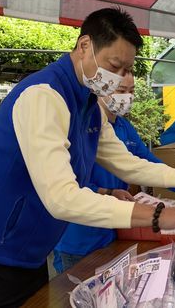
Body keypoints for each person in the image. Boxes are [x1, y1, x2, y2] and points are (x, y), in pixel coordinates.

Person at [0, 8, 175, 307]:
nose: (119, 77)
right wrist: (161, 215)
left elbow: (127, 162)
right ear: (84, 46)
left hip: (29, 248)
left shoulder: (88, 104)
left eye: (126, 70)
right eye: (114, 65)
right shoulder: (43, 96)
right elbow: (62, 198)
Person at [53, 71, 162, 273]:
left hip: (113, 230)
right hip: (80, 235)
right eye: (121, 90)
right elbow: (71, 184)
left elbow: (144, 160)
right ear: (102, 90)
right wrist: (109, 192)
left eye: (131, 91)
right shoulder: (80, 127)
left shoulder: (123, 126)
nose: (127, 97)